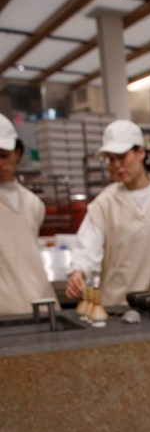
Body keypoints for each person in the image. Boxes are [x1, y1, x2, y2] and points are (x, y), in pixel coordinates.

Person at [66, 119, 150, 313]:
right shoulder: (105, 203)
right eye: (111, 159)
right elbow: (87, 249)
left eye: (122, 157)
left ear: (141, 152)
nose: (117, 165)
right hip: (117, 308)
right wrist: (78, 273)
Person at [0, 113, 56, 316]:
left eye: (4, 155)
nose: (0, 163)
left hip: (42, 304)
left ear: (18, 153)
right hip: (5, 311)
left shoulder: (34, 204)